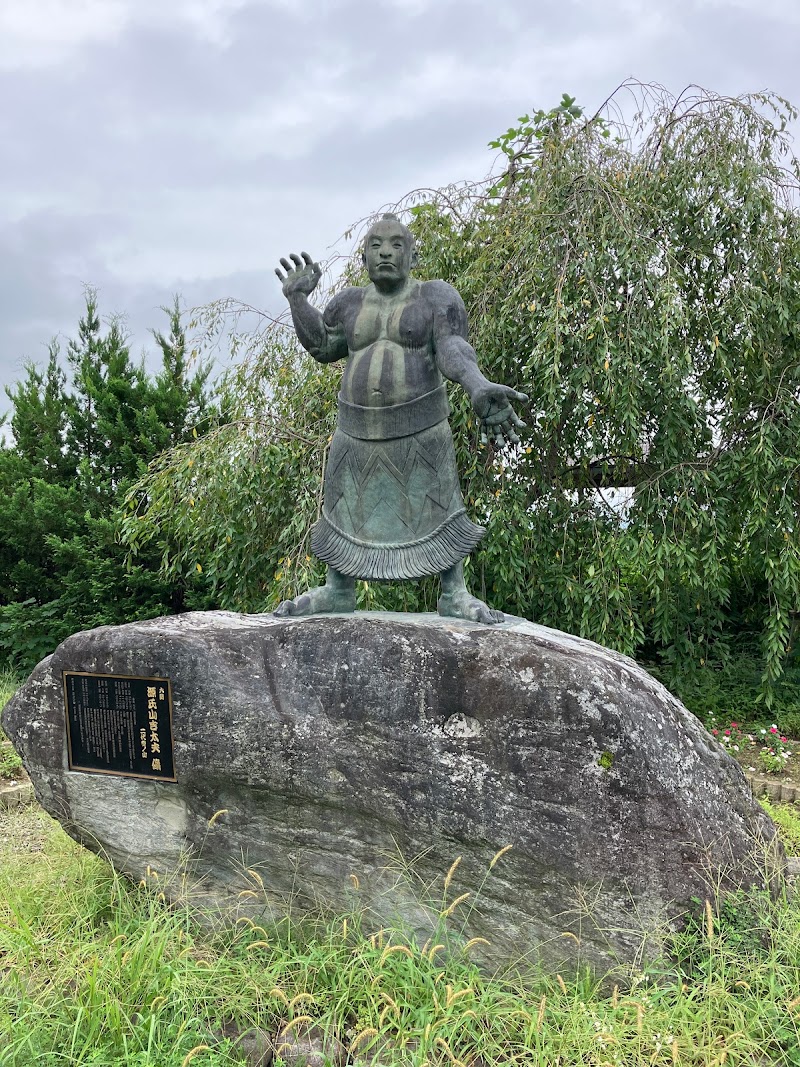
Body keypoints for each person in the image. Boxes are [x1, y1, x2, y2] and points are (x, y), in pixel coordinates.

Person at [273, 213, 526, 624]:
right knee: (342, 510)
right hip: (354, 432)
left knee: (439, 506)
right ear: (363, 258)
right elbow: (322, 345)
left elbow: (453, 348)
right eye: (375, 245)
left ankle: (453, 592)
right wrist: (298, 300)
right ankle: (338, 590)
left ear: (412, 253)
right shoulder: (348, 303)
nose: (385, 252)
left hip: (421, 428)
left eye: (395, 245)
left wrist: (476, 383)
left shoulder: (435, 298)